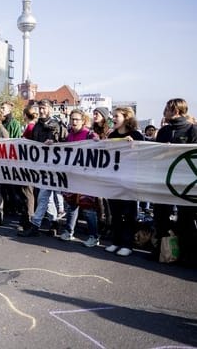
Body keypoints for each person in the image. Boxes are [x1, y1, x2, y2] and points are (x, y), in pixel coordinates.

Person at [153, 98, 197, 266]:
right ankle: (162, 251)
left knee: (185, 219)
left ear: (176, 110)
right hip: (163, 181)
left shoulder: (193, 130)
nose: (165, 111)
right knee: (160, 217)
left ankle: (187, 254)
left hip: (185, 184)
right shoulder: (164, 131)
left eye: (167, 108)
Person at [18, 99, 66, 237]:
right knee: (46, 197)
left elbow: (65, 144)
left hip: (54, 166)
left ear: (50, 109)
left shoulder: (57, 125)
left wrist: (54, 143)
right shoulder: (37, 126)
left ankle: (35, 225)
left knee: (44, 196)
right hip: (40, 165)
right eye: (40, 108)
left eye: (44, 107)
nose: (41, 110)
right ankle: (54, 223)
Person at [57, 109, 101, 247]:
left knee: (88, 209)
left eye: (77, 119)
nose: (74, 122)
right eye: (72, 119)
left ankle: (94, 236)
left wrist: (97, 143)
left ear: (83, 121)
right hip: (72, 176)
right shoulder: (69, 135)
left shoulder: (90, 135)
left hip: (86, 177)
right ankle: (69, 231)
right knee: (71, 205)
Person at [105, 107, 144, 257]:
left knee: (128, 213)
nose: (113, 118)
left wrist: (134, 146)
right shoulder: (112, 135)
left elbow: (143, 155)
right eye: (113, 116)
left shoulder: (136, 135)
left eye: (116, 116)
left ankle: (128, 244)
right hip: (114, 180)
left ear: (126, 118)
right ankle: (116, 242)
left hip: (130, 180)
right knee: (115, 213)